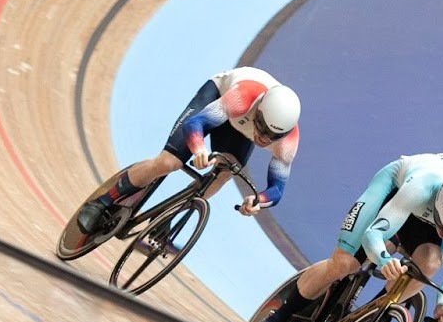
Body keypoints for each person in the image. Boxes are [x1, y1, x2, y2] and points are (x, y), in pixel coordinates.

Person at [254, 152, 443, 322]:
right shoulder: (421, 185)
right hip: (395, 191)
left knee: (432, 261)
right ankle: (276, 319)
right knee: (344, 263)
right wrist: (384, 259)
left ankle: (369, 316)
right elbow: (374, 234)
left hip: (431, 218)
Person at [74, 66, 300, 238]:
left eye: (273, 136)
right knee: (168, 163)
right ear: (259, 111)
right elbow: (195, 124)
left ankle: (167, 215)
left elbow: (277, 189)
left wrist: (257, 200)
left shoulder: (288, 143)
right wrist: (199, 148)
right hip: (219, 99)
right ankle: (102, 202)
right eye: (263, 130)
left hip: (241, 127)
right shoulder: (243, 97)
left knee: (224, 173)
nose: (264, 139)